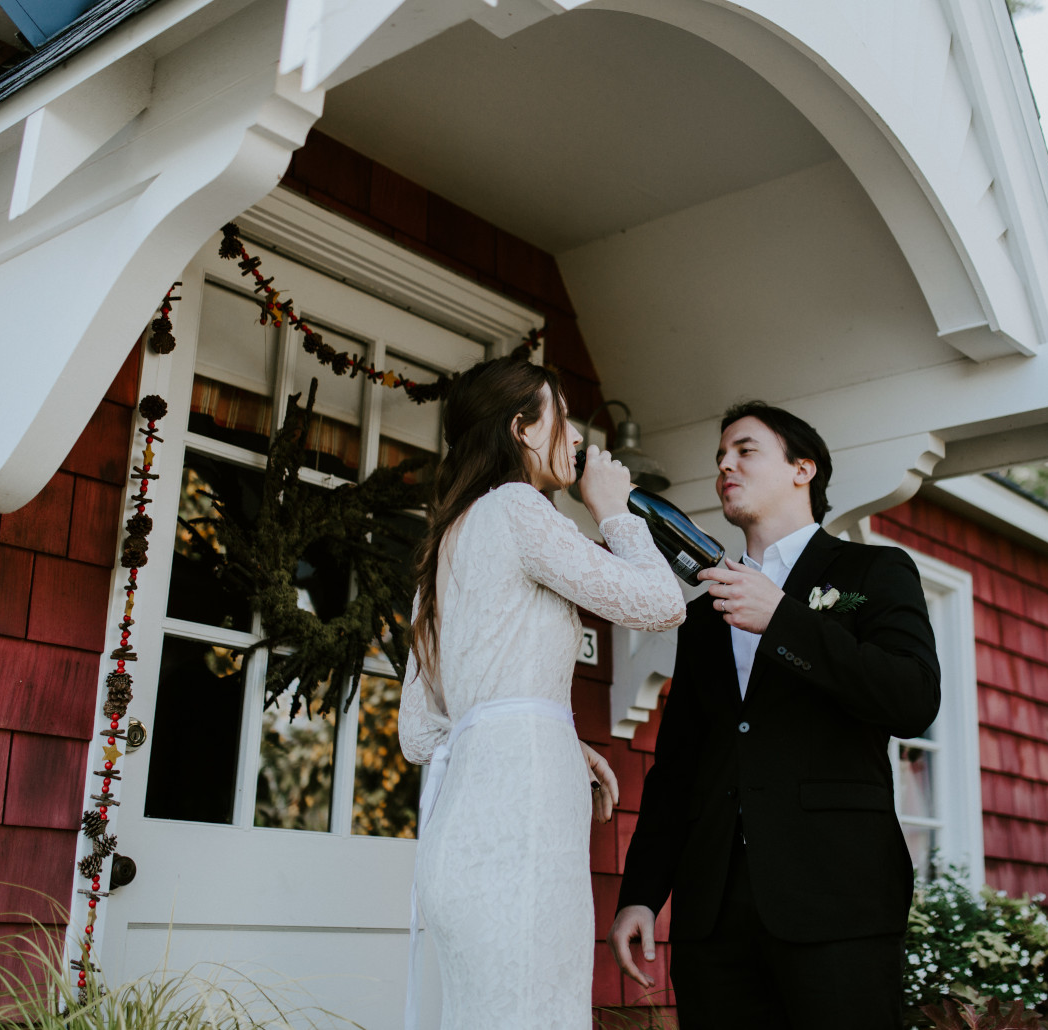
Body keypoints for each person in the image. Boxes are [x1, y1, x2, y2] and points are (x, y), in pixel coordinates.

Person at [608, 401, 940, 1028]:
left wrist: (784, 619)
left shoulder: (872, 570)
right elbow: (678, 766)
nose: (725, 465)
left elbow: (913, 699)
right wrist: (643, 895)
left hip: (836, 900)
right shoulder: (706, 614)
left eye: (745, 450)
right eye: (719, 457)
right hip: (714, 916)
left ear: (803, 468)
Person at [398, 356, 685, 1030]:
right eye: (565, 419)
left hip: (461, 843)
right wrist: (614, 512)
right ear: (523, 429)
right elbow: (660, 601)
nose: (580, 440)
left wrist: (549, 738)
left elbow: (419, 734)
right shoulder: (516, 507)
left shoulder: (441, 549)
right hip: (521, 845)